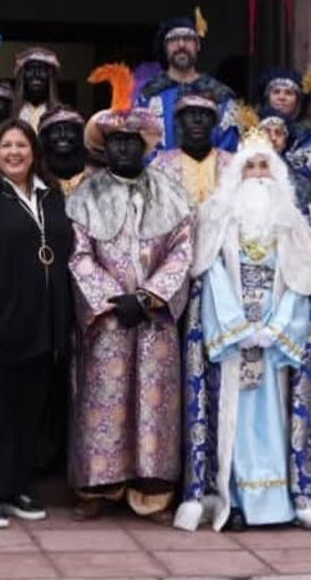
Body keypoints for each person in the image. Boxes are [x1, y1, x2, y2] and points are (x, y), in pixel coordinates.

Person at [178, 128, 311, 533]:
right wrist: (235, 326)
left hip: (276, 345)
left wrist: (277, 328)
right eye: (249, 166)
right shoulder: (218, 221)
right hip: (232, 340)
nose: (256, 175)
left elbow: (303, 284)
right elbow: (209, 276)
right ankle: (232, 499)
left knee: (276, 419)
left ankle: (277, 503)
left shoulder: (292, 224)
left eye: (263, 167)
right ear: (236, 174)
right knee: (230, 420)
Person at [66, 63, 193, 521]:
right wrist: (110, 299)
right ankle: (100, 487)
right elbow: (77, 253)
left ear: (143, 146)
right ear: (105, 147)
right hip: (107, 320)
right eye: (115, 142)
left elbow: (182, 251)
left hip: (154, 318)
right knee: (104, 396)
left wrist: (150, 297)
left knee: (153, 400)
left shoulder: (171, 193)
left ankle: (153, 487)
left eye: (130, 142)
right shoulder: (85, 194)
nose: (122, 148)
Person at [0, 119, 75, 527]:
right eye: (7, 146)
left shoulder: (50, 195)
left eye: (22, 146)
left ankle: (19, 484)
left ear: (34, 152)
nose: (15, 153)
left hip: (42, 320)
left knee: (30, 407)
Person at [136, 17, 239, 155]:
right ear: (165, 48)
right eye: (173, 40)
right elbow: (140, 146)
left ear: (198, 46)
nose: (181, 45)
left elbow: (229, 148)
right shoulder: (148, 96)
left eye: (188, 39)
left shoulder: (220, 95)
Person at [259, 68, 311, 209]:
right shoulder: (252, 132)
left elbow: (307, 187)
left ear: (298, 101)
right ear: (268, 97)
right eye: (276, 92)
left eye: (288, 93)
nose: (281, 97)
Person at [151, 92, 233, 206]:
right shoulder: (161, 166)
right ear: (179, 121)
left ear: (214, 122)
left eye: (205, 114)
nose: (198, 119)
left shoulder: (231, 164)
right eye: (190, 114)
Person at [38, 105, 88, 196]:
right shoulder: (36, 179)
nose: (63, 135)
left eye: (69, 130)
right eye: (56, 131)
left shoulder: (93, 177)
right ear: (46, 138)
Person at [13, 47, 62, 130]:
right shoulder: (10, 112)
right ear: (22, 76)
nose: (36, 74)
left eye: (42, 70)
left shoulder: (61, 114)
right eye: (31, 69)